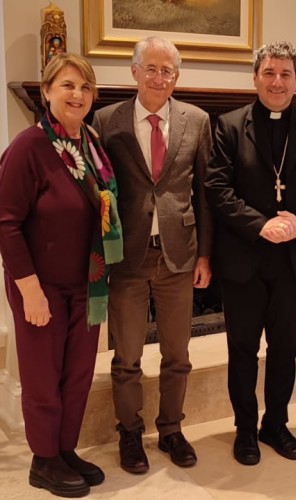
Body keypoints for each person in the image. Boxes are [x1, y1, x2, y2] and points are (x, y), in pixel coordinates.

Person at [205, 40, 296, 466]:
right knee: (243, 349)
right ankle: (245, 429)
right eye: (269, 73)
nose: (277, 82)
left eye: (285, 74)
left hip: (292, 262)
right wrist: (260, 224)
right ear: (255, 78)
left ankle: (275, 424)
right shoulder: (228, 126)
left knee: (285, 349)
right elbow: (217, 188)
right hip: (244, 260)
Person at [0, 53, 122, 497]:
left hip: (86, 284)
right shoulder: (28, 147)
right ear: (47, 91)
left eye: (86, 87)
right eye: (68, 85)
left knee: (77, 375)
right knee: (43, 379)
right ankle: (43, 460)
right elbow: (6, 223)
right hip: (41, 287)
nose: (78, 94)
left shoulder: (91, 144)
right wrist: (29, 291)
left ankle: (65, 450)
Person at [92, 36, 213, 473]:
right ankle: (129, 432)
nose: (160, 78)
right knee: (126, 357)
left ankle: (171, 429)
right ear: (134, 72)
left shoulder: (196, 120)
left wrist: (205, 256)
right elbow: (100, 192)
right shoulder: (106, 120)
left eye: (168, 71)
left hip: (179, 256)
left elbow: (205, 192)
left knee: (178, 355)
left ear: (176, 77)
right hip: (128, 257)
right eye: (152, 68)